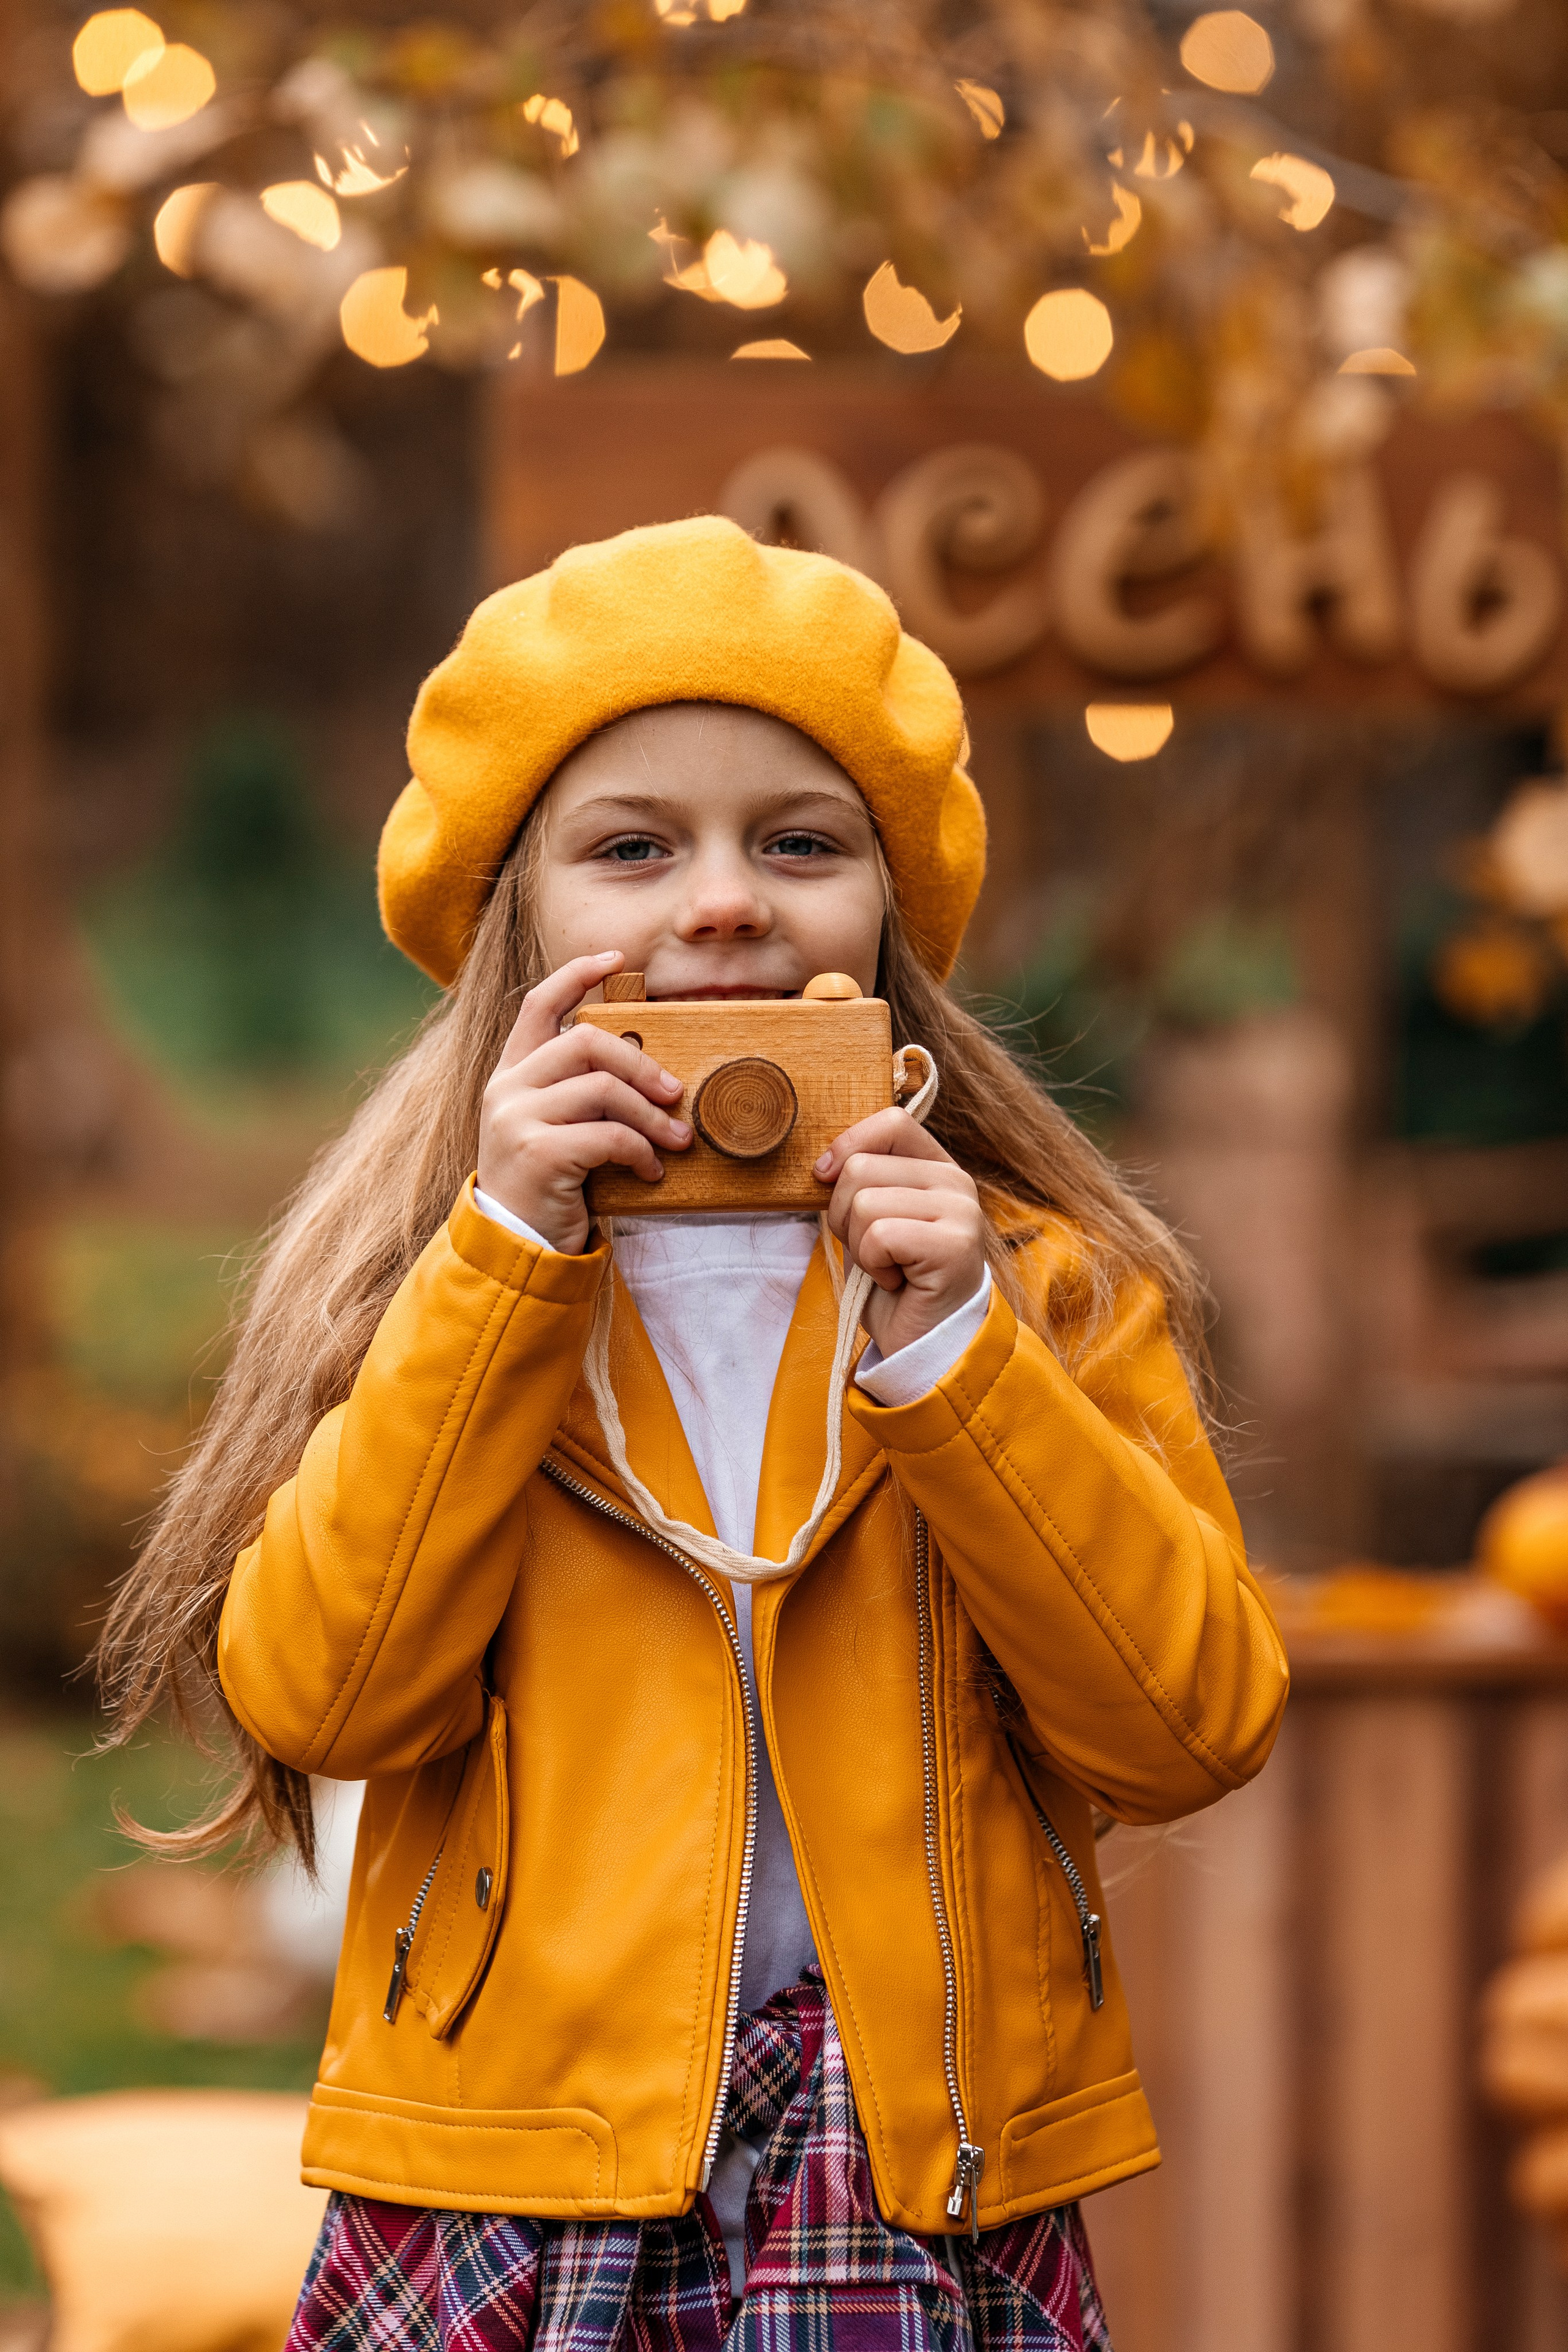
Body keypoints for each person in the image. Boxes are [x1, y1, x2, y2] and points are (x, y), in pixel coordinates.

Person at [97, 517, 1289, 2352]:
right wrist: (504, 1269)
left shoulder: (1037, 1289)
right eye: (633, 847)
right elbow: (325, 1703)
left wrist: (960, 1361)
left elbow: (1187, 1725)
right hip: (512, 2163)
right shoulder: (422, 1286)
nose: (723, 900)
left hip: (914, 2168)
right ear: (521, 924)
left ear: (887, 913)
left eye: (800, 843)